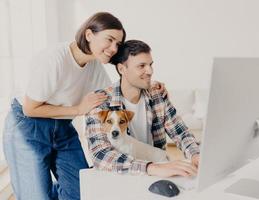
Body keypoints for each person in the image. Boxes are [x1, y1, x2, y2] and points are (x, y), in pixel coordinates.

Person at [3, 12, 164, 200]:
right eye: (110, 40)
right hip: (27, 125)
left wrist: (148, 86)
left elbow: (114, 98)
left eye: (118, 44)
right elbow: (29, 109)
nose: (113, 48)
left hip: (61, 126)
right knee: (36, 196)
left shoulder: (94, 68)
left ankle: (44, 188)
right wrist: (78, 109)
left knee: (82, 192)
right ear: (89, 35)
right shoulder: (53, 59)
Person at [85, 40, 200, 178]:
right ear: (122, 69)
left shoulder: (157, 94)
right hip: (122, 175)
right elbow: (100, 154)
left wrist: (195, 155)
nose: (150, 71)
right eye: (141, 66)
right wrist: (150, 168)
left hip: (157, 170)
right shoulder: (100, 101)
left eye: (150, 65)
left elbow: (180, 132)